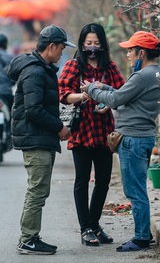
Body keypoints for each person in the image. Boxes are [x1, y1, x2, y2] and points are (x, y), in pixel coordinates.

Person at [81, 31, 160, 252]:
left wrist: (91, 89)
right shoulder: (157, 73)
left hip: (134, 139)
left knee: (135, 191)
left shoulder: (142, 76)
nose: (127, 54)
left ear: (141, 52)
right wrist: (104, 88)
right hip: (143, 137)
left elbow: (118, 99)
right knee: (138, 188)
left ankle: (140, 238)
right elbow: (124, 96)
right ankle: (143, 233)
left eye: (130, 50)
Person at [6, 24, 75, 255]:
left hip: (39, 137)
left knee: (39, 190)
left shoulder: (42, 68)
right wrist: (59, 128)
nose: (62, 52)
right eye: (61, 47)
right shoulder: (35, 71)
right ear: (51, 46)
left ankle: (31, 236)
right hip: (36, 139)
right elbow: (34, 110)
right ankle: (27, 239)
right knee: (37, 190)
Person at [58, 23, 125, 246]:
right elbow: (63, 94)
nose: (93, 47)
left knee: (104, 180)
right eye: (89, 43)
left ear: (103, 44)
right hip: (82, 131)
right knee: (82, 180)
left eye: (97, 43)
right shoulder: (74, 65)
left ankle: (95, 225)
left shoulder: (110, 68)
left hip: (104, 131)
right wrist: (84, 96)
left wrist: (107, 102)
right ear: (82, 44)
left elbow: (121, 91)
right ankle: (85, 227)